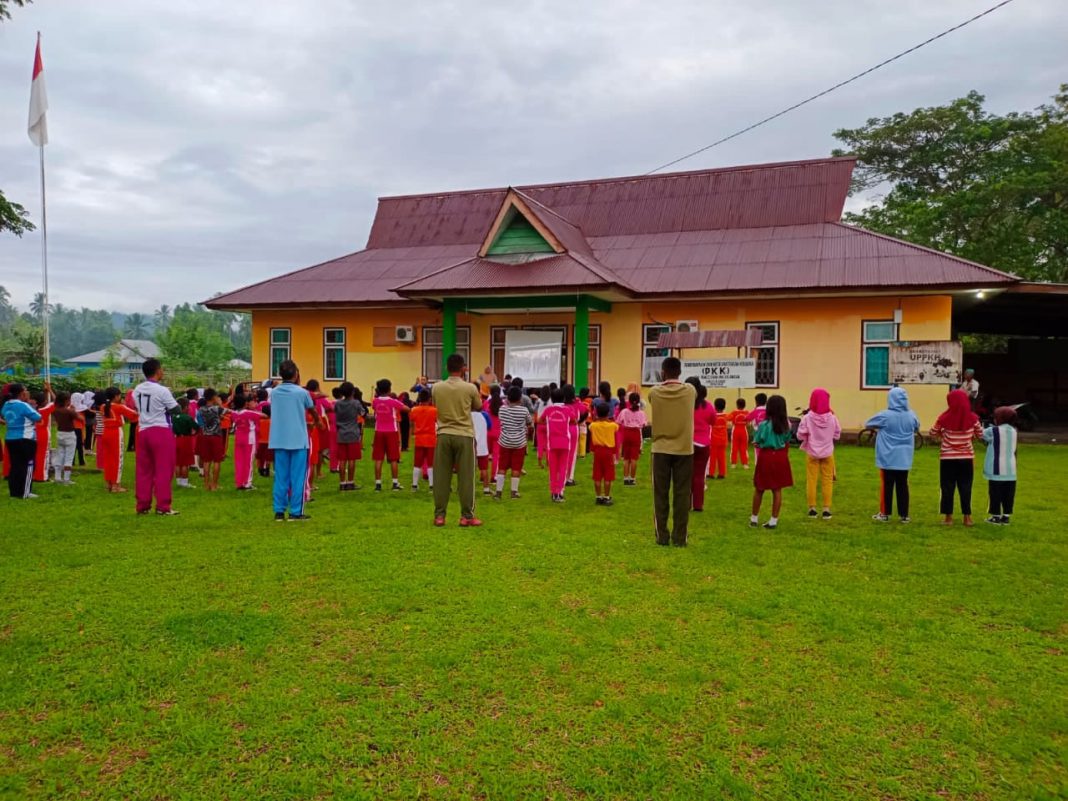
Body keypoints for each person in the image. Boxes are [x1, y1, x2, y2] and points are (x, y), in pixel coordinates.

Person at [648, 357, 697, 546]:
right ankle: (679, 537)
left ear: (663, 372)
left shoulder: (655, 392)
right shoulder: (690, 391)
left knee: (660, 494)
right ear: (680, 372)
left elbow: (653, 395)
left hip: (660, 449)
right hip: (684, 449)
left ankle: (662, 535)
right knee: (682, 494)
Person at [431, 353, 483, 527]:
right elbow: (478, 406)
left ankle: (440, 515)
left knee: (441, 477)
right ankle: (467, 516)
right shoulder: (470, 388)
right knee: (466, 477)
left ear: (446, 368)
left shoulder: (437, 387)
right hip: (464, 434)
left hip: (444, 433)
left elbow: (436, 404)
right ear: (464, 369)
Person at [268, 360, 320, 521]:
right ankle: (296, 512)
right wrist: (317, 421)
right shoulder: (302, 393)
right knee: (298, 478)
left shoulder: (274, 392)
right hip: (298, 439)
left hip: (279, 439)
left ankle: (279, 511)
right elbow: (312, 409)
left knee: (281, 477)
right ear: (296, 374)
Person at [131, 358, 180, 514]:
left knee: (144, 470)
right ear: (158, 371)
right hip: (160, 430)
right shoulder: (162, 390)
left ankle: (142, 505)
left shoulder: (137, 389)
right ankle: (163, 506)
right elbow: (176, 409)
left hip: (143, 430)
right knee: (164, 469)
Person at [865, 387, 920, 523]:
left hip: (887, 457)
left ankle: (885, 513)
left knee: (887, 485)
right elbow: (917, 427)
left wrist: (880, 428)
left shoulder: (885, 416)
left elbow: (868, 424)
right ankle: (904, 515)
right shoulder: (911, 415)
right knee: (903, 485)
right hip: (904, 457)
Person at [930, 389, 984, 527]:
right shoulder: (973, 418)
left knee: (947, 487)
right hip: (966, 458)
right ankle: (967, 518)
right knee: (966, 486)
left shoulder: (943, 418)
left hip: (947, 458)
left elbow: (932, 433)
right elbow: (980, 434)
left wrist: (942, 434)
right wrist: (970, 437)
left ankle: (948, 518)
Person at [796, 388, 841, 520]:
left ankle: (812, 509)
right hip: (828, 453)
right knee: (827, 480)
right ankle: (826, 509)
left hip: (812, 453)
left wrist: (808, 437)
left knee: (811, 480)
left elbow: (800, 435)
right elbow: (837, 435)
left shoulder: (807, 418)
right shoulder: (833, 418)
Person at [750, 395, 793, 529]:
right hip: (780, 456)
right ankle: (773, 520)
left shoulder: (764, 425)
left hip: (766, 456)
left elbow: (757, 441)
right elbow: (787, 440)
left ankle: (754, 518)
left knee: (759, 488)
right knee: (777, 489)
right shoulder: (787, 425)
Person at [2, 383, 41, 499]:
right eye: (26, 390)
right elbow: (38, 417)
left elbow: (4, 415)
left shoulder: (6, 404)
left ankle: (14, 492)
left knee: (15, 465)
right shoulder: (23, 405)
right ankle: (25, 492)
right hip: (26, 438)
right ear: (22, 393)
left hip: (10, 438)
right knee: (28, 465)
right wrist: (28, 402)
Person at [96, 387, 138, 493]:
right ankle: (116, 485)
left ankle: (108, 483)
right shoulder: (119, 407)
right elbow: (134, 414)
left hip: (105, 432)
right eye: (120, 396)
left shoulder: (103, 407)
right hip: (116, 433)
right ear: (116, 396)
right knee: (117, 459)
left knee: (108, 458)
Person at [495, 385, 533, 500]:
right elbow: (529, 423)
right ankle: (514, 492)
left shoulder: (502, 409)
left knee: (502, 467)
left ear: (508, 397)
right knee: (516, 468)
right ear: (520, 398)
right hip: (519, 443)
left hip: (504, 441)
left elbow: (501, 420)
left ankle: (498, 492)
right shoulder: (524, 410)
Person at [983, 406, 1018, 525]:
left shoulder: (993, 430)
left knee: (995, 493)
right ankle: (1006, 516)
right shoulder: (1014, 431)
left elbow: (981, 435)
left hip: (996, 468)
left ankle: (995, 516)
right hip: (1011, 469)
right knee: (1008, 494)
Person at [371, 379, 407, 492]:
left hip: (378, 431)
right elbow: (406, 409)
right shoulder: (393, 401)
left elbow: (374, 407)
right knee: (394, 458)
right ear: (389, 389)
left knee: (378, 459)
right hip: (392, 431)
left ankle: (378, 484)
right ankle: (395, 483)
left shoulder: (375, 401)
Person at [542, 388, 574, 503]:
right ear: (564, 398)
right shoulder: (568, 410)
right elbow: (574, 420)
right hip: (565, 443)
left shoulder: (548, 410)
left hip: (552, 443)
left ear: (551, 398)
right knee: (562, 469)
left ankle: (553, 492)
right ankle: (559, 493)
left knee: (553, 470)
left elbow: (540, 420)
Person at [687, 378, 714, 512]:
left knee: (686, 475)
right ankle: (698, 505)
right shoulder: (708, 406)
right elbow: (713, 420)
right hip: (703, 444)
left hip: (687, 443)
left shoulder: (684, 404)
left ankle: (686, 503)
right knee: (699, 475)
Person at [334, 381, 366, 492]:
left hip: (341, 433)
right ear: (352, 392)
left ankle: (342, 483)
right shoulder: (355, 403)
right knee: (352, 459)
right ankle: (350, 482)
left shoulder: (338, 404)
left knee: (342, 460)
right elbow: (363, 413)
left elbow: (335, 413)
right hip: (353, 433)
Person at [195, 389, 228, 492]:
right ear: (213, 397)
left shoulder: (200, 409)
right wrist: (220, 403)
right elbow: (227, 411)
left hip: (205, 436)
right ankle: (214, 485)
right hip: (216, 436)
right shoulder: (217, 408)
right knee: (217, 461)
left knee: (206, 461)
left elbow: (201, 422)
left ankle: (206, 484)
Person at [230, 395, 264, 491]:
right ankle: (247, 483)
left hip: (238, 439)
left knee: (239, 461)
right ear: (245, 403)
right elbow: (264, 416)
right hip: (249, 439)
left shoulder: (234, 413)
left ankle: (239, 482)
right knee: (248, 461)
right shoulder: (249, 413)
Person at [589, 402, 619, 506]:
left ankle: (598, 497)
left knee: (597, 475)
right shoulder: (612, 425)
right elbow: (616, 427)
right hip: (608, 452)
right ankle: (606, 497)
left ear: (597, 413)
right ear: (608, 413)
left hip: (597, 451)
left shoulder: (593, 425)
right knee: (608, 476)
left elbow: (591, 427)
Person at [51, 392, 82, 485]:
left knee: (60, 455)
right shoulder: (69, 411)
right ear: (66, 401)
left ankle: (57, 477)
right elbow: (81, 418)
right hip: (69, 434)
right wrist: (74, 410)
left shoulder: (56, 410)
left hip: (60, 433)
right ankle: (66, 479)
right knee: (69, 457)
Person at [409, 389, 437, 491]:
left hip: (419, 438)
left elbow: (411, 422)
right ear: (429, 399)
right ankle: (431, 485)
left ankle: (414, 485)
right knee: (431, 463)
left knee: (417, 463)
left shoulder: (414, 410)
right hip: (431, 438)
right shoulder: (434, 410)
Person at [617, 392, 647, 486]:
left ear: (629, 401)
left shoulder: (624, 411)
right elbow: (644, 424)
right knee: (634, 458)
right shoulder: (641, 413)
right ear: (638, 401)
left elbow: (618, 422)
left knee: (626, 458)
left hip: (627, 432)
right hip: (636, 433)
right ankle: (632, 479)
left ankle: (626, 478)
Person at [172, 397, 198, 489]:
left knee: (177, 462)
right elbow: (196, 427)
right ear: (186, 407)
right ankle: (185, 482)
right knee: (185, 463)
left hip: (176, 439)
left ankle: (178, 481)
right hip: (186, 440)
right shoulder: (188, 417)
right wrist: (194, 433)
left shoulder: (173, 417)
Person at [31, 386, 55, 483]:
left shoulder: (29, 409)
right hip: (43, 434)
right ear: (44, 401)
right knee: (43, 455)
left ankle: (34, 474)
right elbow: (57, 401)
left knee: (34, 455)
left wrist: (45, 392)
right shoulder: (45, 410)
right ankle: (42, 476)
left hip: (32, 433)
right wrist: (50, 390)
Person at [709, 397, 729, 480]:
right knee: (722, 457)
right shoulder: (726, 416)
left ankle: (711, 473)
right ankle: (722, 473)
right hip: (723, 439)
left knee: (712, 458)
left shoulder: (712, 416)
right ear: (724, 406)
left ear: (715, 406)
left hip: (714, 440)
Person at [729, 398, 750, 469]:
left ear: (737, 405)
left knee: (734, 447)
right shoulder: (747, 412)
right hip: (744, 431)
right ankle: (745, 464)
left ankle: (733, 464)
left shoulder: (734, 412)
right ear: (745, 405)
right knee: (744, 448)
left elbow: (728, 418)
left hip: (735, 431)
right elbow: (749, 422)